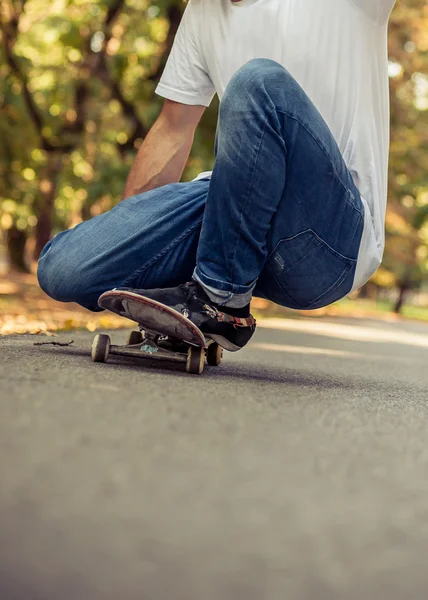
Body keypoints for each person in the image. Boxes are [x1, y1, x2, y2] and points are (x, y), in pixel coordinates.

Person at [38, 0, 397, 352]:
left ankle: (219, 300)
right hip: (231, 215)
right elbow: (173, 127)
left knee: (258, 81)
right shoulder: (202, 11)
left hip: (327, 241)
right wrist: (140, 245)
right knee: (64, 268)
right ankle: (195, 302)